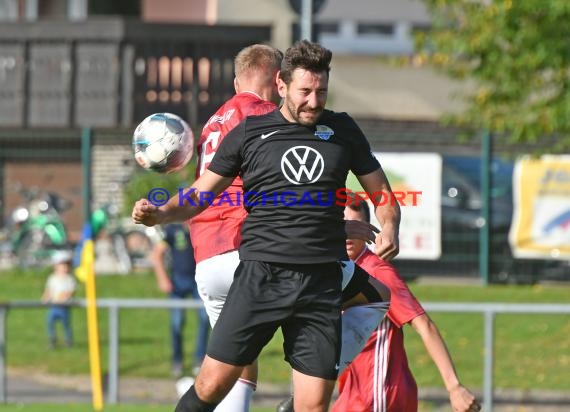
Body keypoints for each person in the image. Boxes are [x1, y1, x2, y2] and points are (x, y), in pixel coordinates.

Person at [132, 39, 400, 412]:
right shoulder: (250, 133)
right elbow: (201, 194)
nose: (313, 101)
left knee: (312, 407)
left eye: (321, 91)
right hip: (260, 276)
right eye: (305, 91)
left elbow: (382, 192)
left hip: (320, 283)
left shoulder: (342, 130)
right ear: (282, 86)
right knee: (211, 386)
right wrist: (160, 214)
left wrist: (390, 225)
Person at [331, 196, 481, 412]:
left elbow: (424, 326)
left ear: (367, 229)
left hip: (379, 394)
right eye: (345, 226)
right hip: (353, 395)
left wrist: (454, 387)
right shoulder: (333, 271)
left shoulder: (377, 273)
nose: (349, 236)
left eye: (358, 226)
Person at [151, 222, 210, 377]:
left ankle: (199, 360)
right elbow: (157, 254)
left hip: (199, 280)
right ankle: (177, 361)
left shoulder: (201, 224)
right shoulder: (172, 229)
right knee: (176, 323)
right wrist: (162, 278)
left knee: (205, 319)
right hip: (178, 281)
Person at [41, 250, 76, 349]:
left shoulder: (69, 279)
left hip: (64, 306)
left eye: (66, 266)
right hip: (54, 305)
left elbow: (71, 290)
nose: (63, 268)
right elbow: (48, 290)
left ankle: (68, 340)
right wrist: (46, 297)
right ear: (55, 266)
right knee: (50, 321)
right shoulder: (52, 278)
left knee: (65, 324)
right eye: (61, 265)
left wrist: (66, 295)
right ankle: (52, 339)